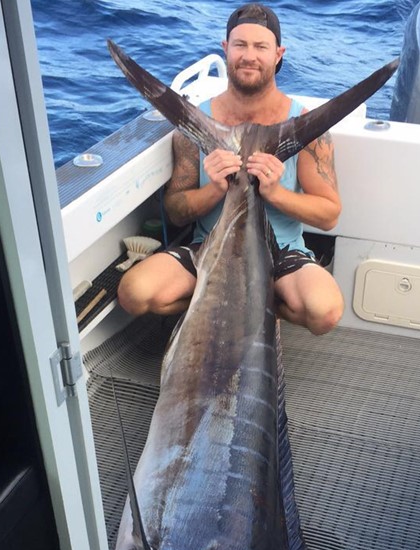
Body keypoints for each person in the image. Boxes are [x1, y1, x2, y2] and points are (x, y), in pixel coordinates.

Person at [117, 2, 345, 336]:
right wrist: (214, 189)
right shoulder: (193, 125)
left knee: (324, 311)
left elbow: (329, 215)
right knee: (134, 293)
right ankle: (213, 301)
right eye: (240, 45)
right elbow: (176, 211)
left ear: (278, 54)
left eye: (261, 47)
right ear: (226, 48)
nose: (249, 56)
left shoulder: (309, 129)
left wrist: (275, 193)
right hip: (209, 249)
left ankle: (260, 306)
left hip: (283, 253)